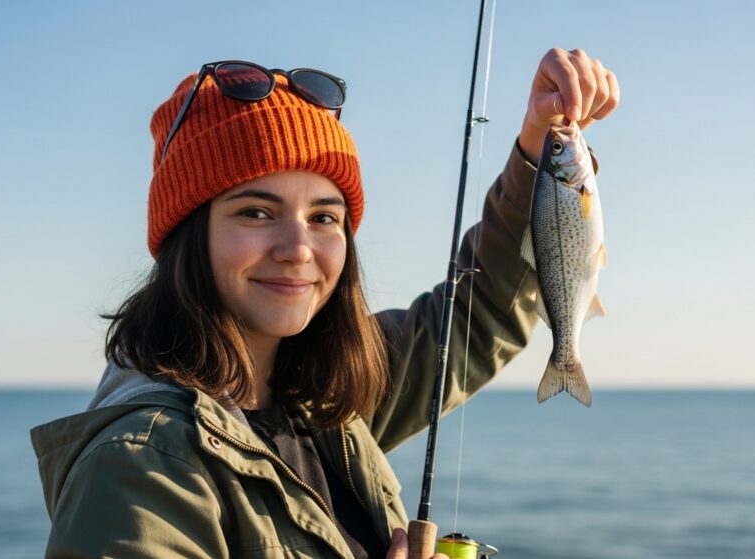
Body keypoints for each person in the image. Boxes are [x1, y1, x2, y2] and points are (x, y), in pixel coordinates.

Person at [31, 48, 619, 558]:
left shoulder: (329, 394)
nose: (297, 249)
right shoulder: (141, 464)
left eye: (324, 217)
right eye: (255, 212)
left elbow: (480, 309)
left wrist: (537, 146)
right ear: (188, 235)